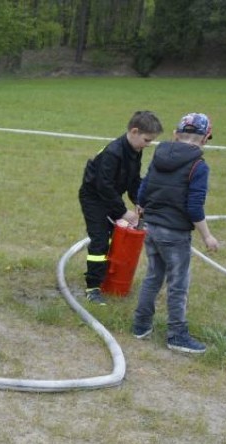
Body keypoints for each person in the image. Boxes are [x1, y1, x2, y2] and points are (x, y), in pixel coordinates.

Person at [131, 113, 219, 354]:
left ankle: (140, 325)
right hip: (175, 234)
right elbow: (194, 206)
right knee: (178, 284)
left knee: (153, 276)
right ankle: (177, 335)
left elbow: (144, 188)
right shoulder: (199, 166)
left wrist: (142, 207)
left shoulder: (159, 155)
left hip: (152, 228)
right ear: (204, 139)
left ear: (176, 134)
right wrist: (207, 236)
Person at [78, 110, 163, 305]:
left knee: (112, 236)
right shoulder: (113, 153)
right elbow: (103, 186)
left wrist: (139, 200)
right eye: (147, 140)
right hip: (94, 198)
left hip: (110, 196)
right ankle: (93, 287)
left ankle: (109, 276)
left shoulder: (135, 150)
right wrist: (123, 211)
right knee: (100, 240)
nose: (148, 145)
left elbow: (133, 179)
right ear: (134, 131)